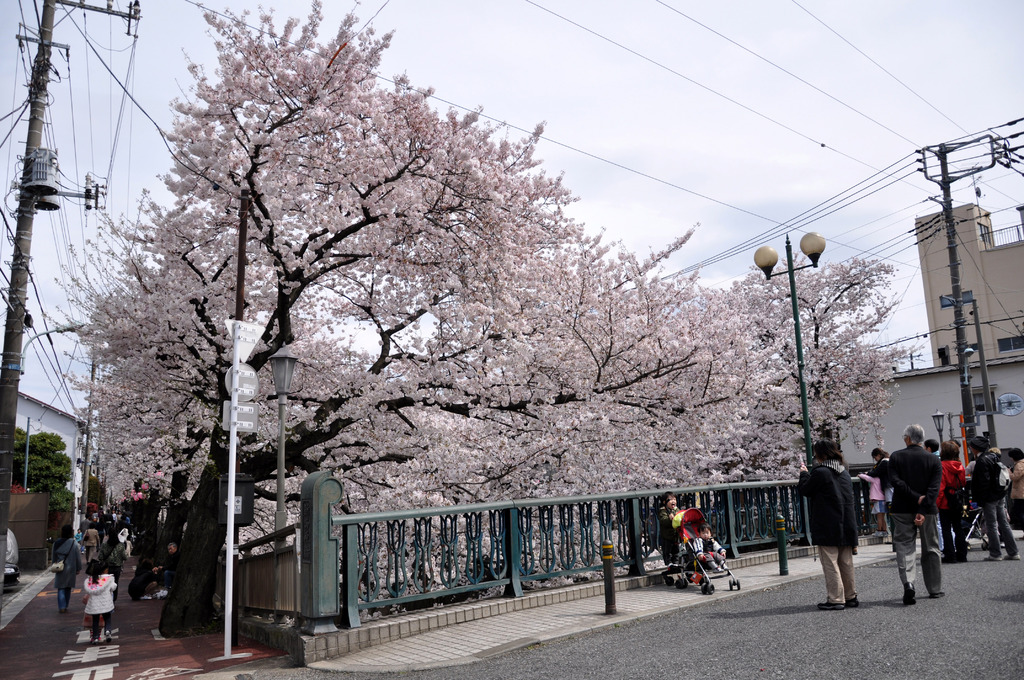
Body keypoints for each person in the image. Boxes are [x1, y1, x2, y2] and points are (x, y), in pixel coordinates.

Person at [797, 440, 858, 610]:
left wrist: (803, 474)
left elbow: (806, 490)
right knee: (846, 562)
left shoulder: (821, 472)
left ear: (820, 454)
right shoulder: (844, 472)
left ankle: (836, 598)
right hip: (847, 521)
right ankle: (850, 595)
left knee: (830, 562)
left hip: (828, 522)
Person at [889, 423, 943, 604]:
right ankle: (934, 588)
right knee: (931, 547)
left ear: (908, 439)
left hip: (902, 507)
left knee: (905, 546)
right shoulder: (934, 460)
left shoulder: (896, 457)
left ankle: (909, 584)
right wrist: (922, 506)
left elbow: (895, 482)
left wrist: (914, 497)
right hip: (928, 510)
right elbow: (934, 488)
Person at [968, 436, 1019, 561]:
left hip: (989, 497)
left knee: (991, 525)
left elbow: (983, 482)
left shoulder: (982, 461)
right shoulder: (993, 457)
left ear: (975, 448)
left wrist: (981, 498)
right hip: (999, 494)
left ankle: (995, 553)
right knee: (1003, 523)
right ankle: (1013, 552)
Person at [937, 440, 968, 563]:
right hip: (958, 500)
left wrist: (936, 503)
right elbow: (963, 483)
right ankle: (962, 554)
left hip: (945, 500)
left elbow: (940, 487)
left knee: (946, 529)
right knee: (958, 527)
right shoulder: (960, 466)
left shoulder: (943, 466)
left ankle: (950, 554)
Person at [83, 560, 116, 645]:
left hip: (94, 605)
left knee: (95, 621)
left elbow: (88, 591)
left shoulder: (91, 580)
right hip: (106, 603)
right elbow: (113, 587)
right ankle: (108, 630)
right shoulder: (108, 579)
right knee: (107, 617)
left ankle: (95, 637)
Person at [51, 524, 82, 613]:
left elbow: (54, 556)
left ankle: (61, 606)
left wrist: (54, 564)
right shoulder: (73, 543)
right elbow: (77, 557)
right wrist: (78, 567)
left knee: (60, 587)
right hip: (71, 568)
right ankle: (66, 604)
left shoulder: (56, 543)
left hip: (60, 568)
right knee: (68, 587)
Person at [862, 448, 891, 539]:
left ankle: (880, 531)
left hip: (887, 488)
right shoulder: (888, 461)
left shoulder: (884, 462)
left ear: (878, 455)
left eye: (875, 457)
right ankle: (885, 531)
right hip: (887, 489)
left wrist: (864, 474)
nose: (875, 459)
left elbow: (875, 473)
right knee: (884, 514)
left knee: (882, 514)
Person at [97, 524, 129, 600]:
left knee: (106, 584)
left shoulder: (104, 545)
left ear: (108, 535)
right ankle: (114, 599)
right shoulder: (120, 545)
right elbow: (125, 557)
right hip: (117, 567)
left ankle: (107, 598)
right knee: (115, 583)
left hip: (107, 567)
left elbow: (100, 557)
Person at [657, 493, 681, 565]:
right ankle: (669, 564)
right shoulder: (663, 511)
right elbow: (663, 521)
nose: (673, 501)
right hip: (667, 536)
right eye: (670, 499)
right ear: (664, 502)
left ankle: (676, 563)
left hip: (675, 536)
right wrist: (669, 519)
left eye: (674, 499)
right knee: (667, 552)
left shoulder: (676, 510)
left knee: (676, 551)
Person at [1008, 447, 1024, 531]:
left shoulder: (1019, 464)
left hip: (1020, 493)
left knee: (1019, 512)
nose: (1010, 459)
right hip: (1021, 492)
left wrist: (1009, 472)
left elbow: (1015, 477)